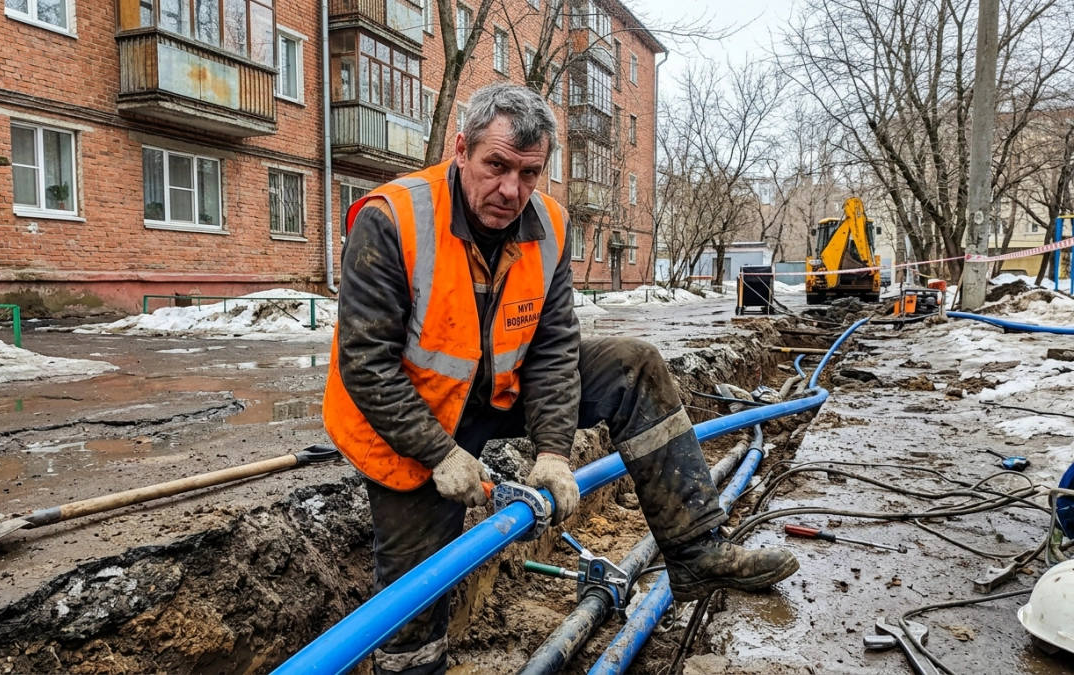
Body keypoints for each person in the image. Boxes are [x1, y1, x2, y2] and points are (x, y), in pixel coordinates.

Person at [322, 83, 799, 675]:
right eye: (495, 166)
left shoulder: (547, 223)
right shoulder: (392, 218)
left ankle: (698, 549)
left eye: (529, 173)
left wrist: (553, 452)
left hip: (496, 388)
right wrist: (438, 452)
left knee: (634, 365)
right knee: (413, 591)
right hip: (405, 417)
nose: (511, 190)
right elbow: (366, 363)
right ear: (461, 148)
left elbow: (551, 347)